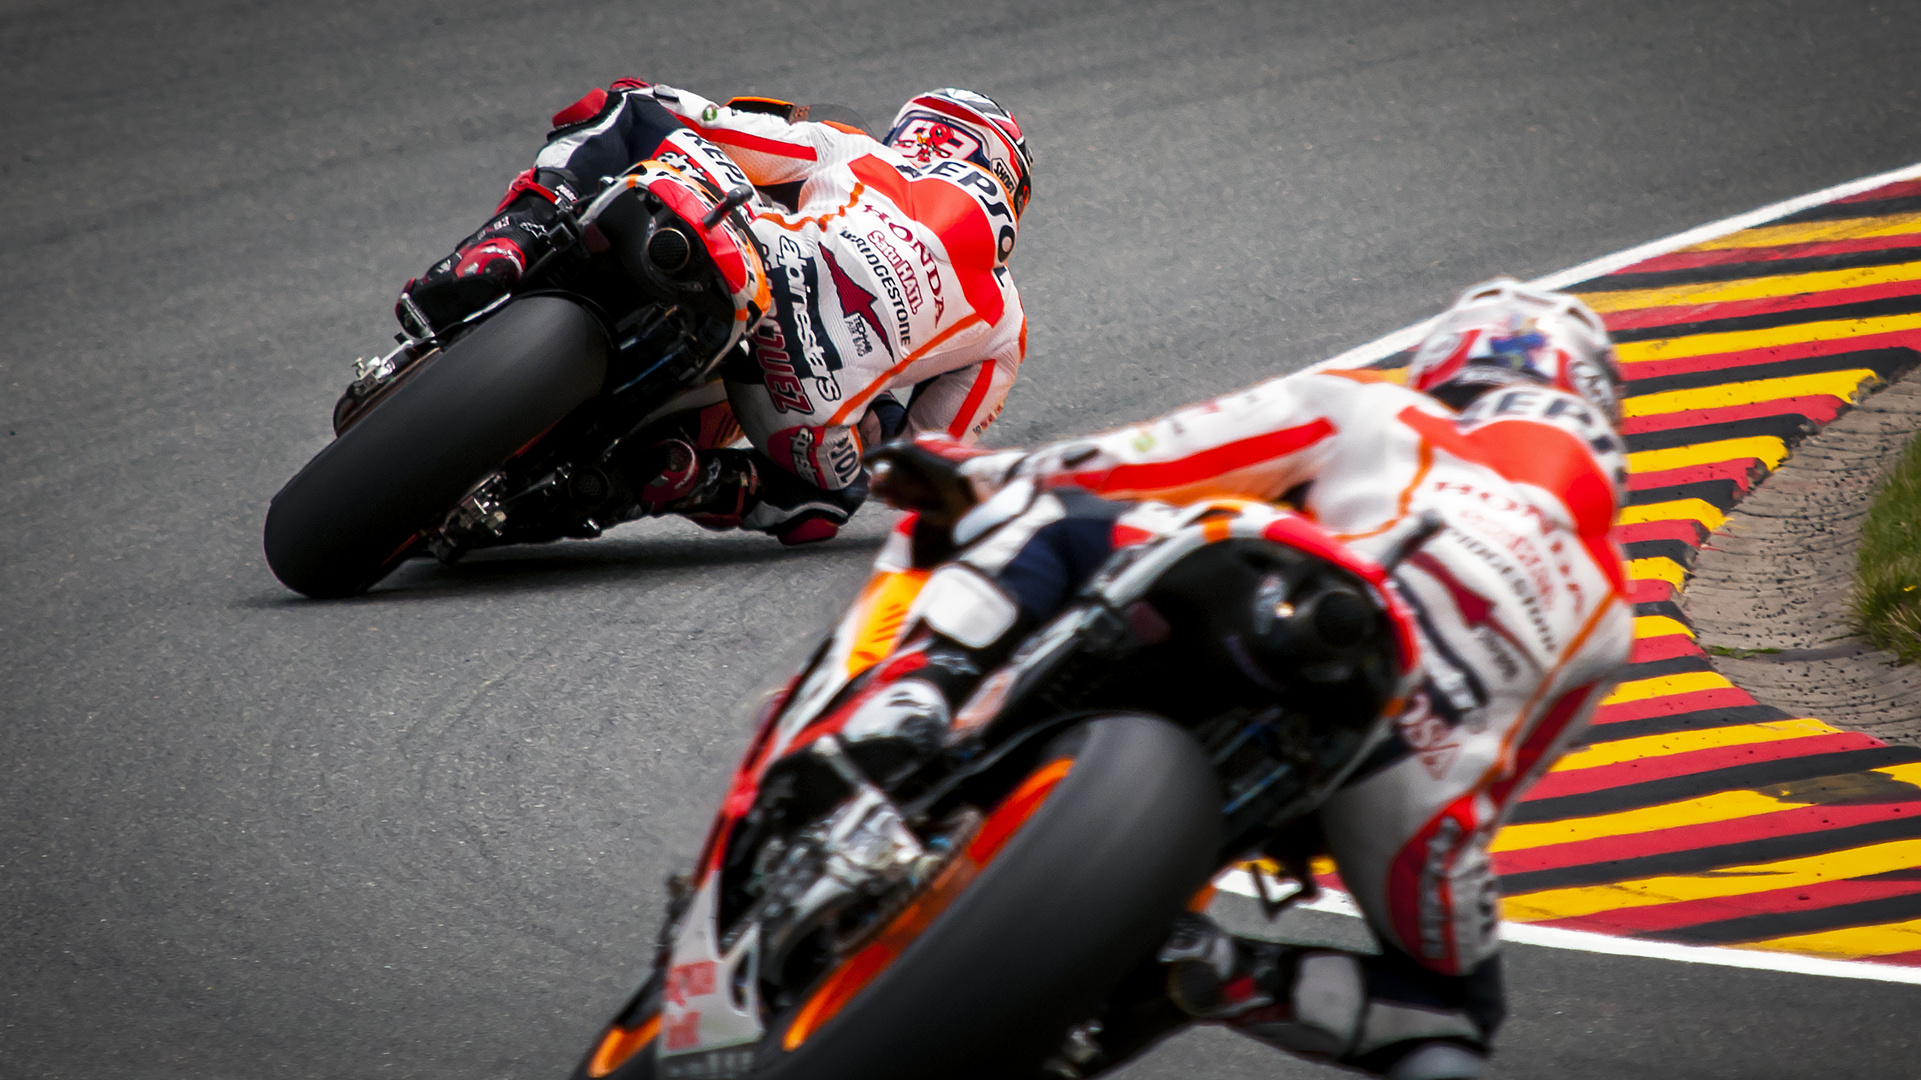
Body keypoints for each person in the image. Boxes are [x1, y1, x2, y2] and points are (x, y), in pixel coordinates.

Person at [861, 278, 1635, 1080]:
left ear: (1454, 366)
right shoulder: (1611, 609)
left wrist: (982, 476)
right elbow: (1495, 773)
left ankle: (912, 699)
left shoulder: (1386, 408)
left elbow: (1137, 464)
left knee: (1051, 513)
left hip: (1266, 609)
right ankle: (1213, 967)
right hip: (1398, 762)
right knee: (1455, 1015)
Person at [393, 82, 1033, 544]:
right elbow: (920, 458)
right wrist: (868, 405)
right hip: (803, 414)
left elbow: (707, 125)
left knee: (628, 106)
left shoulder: (858, 149)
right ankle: (690, 481)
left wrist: (684, 108)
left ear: (924, 130)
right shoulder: (1006, 324)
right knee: (835, 493)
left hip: (755, 257)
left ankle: (506, 244)